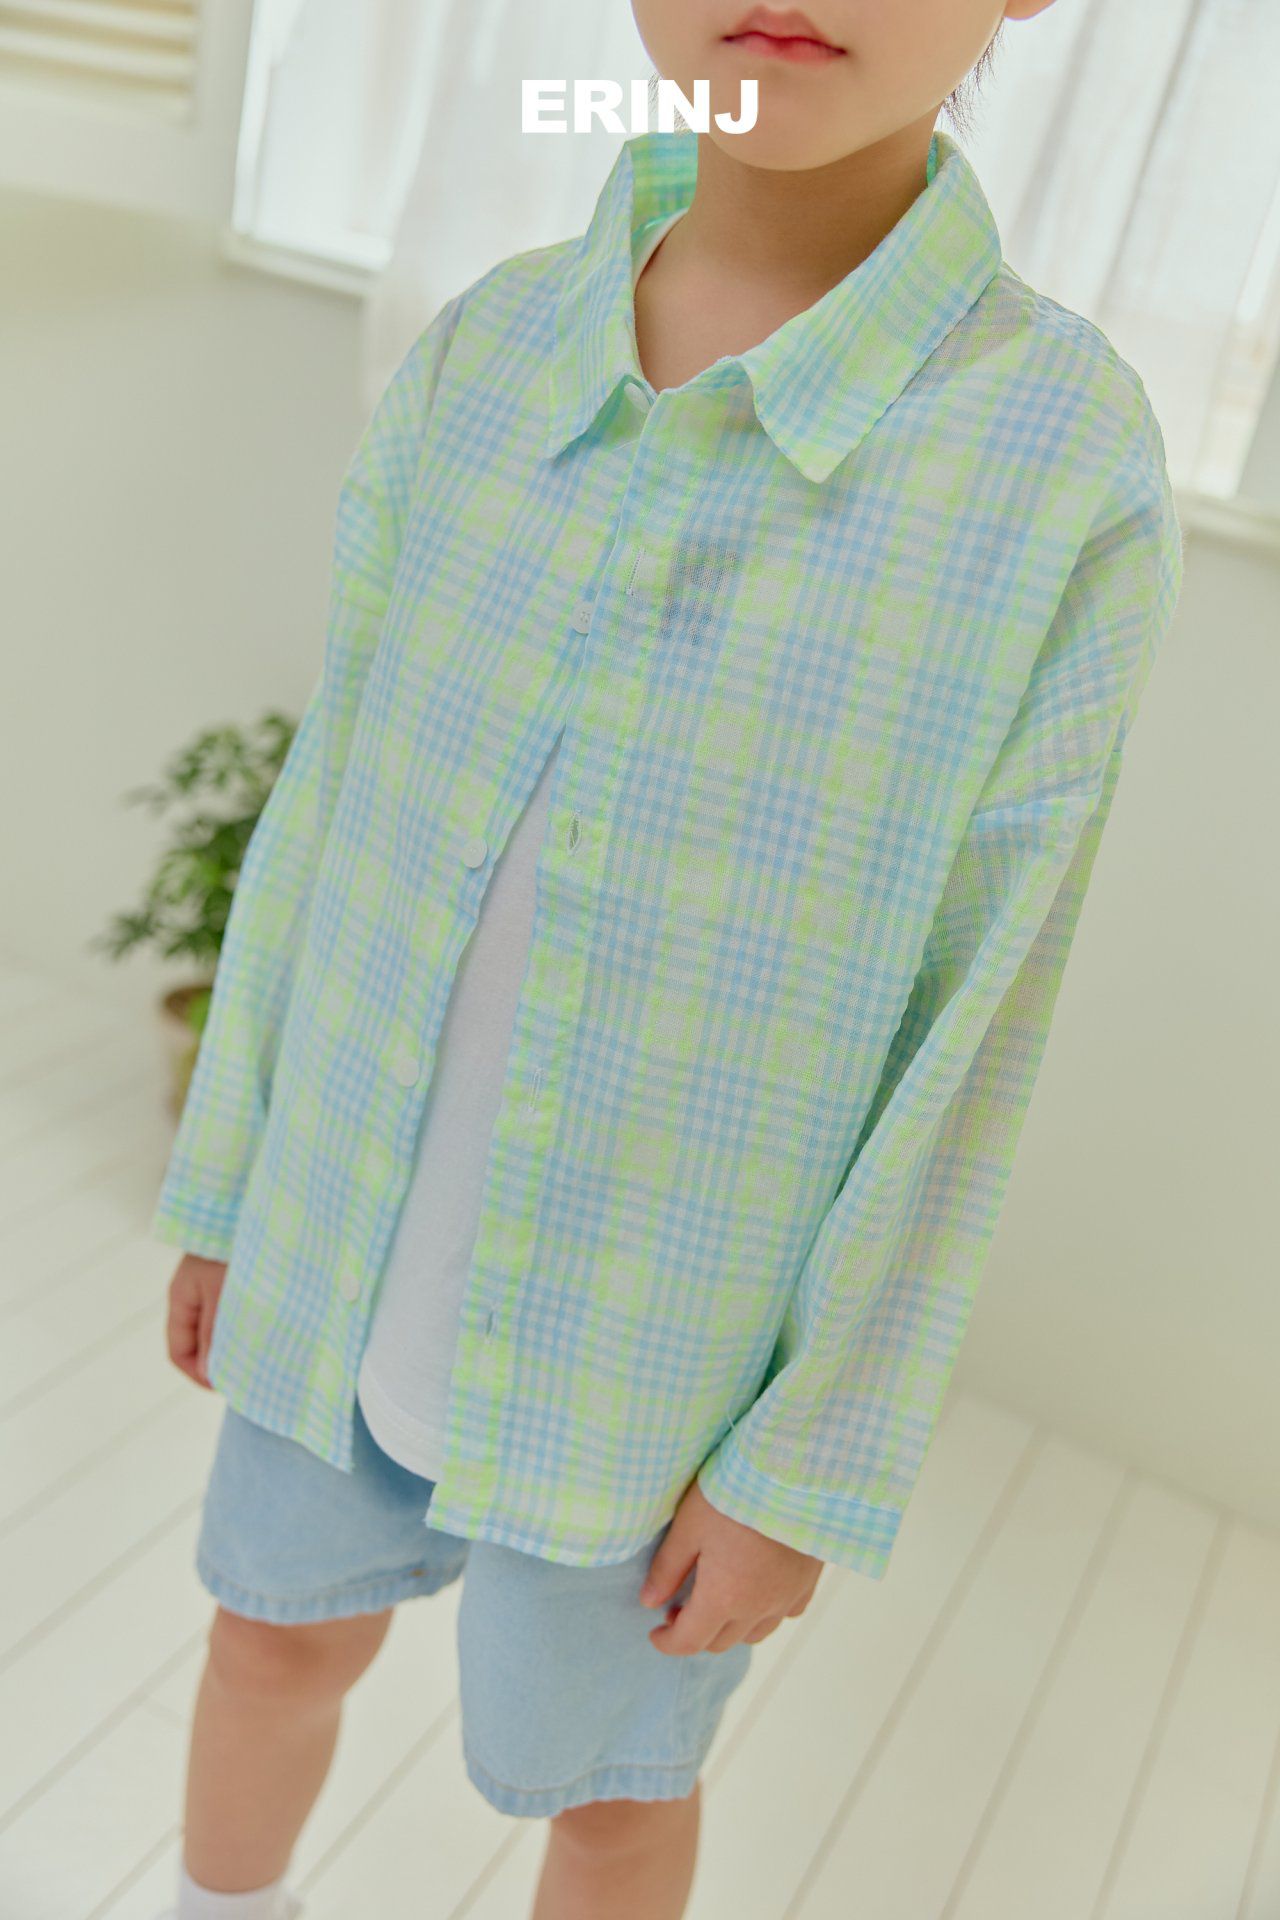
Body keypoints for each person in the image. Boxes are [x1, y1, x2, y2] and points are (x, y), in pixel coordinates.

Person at [151, 2, 1184, 1916]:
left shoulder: (1057, 459)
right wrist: (231, 1186)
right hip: (335, 1225)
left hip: (666, 1349)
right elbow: (333, 800)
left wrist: (805, 1458)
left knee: (612, 1796)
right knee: (265, 1640)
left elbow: (976, 1026)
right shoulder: (489, 349)